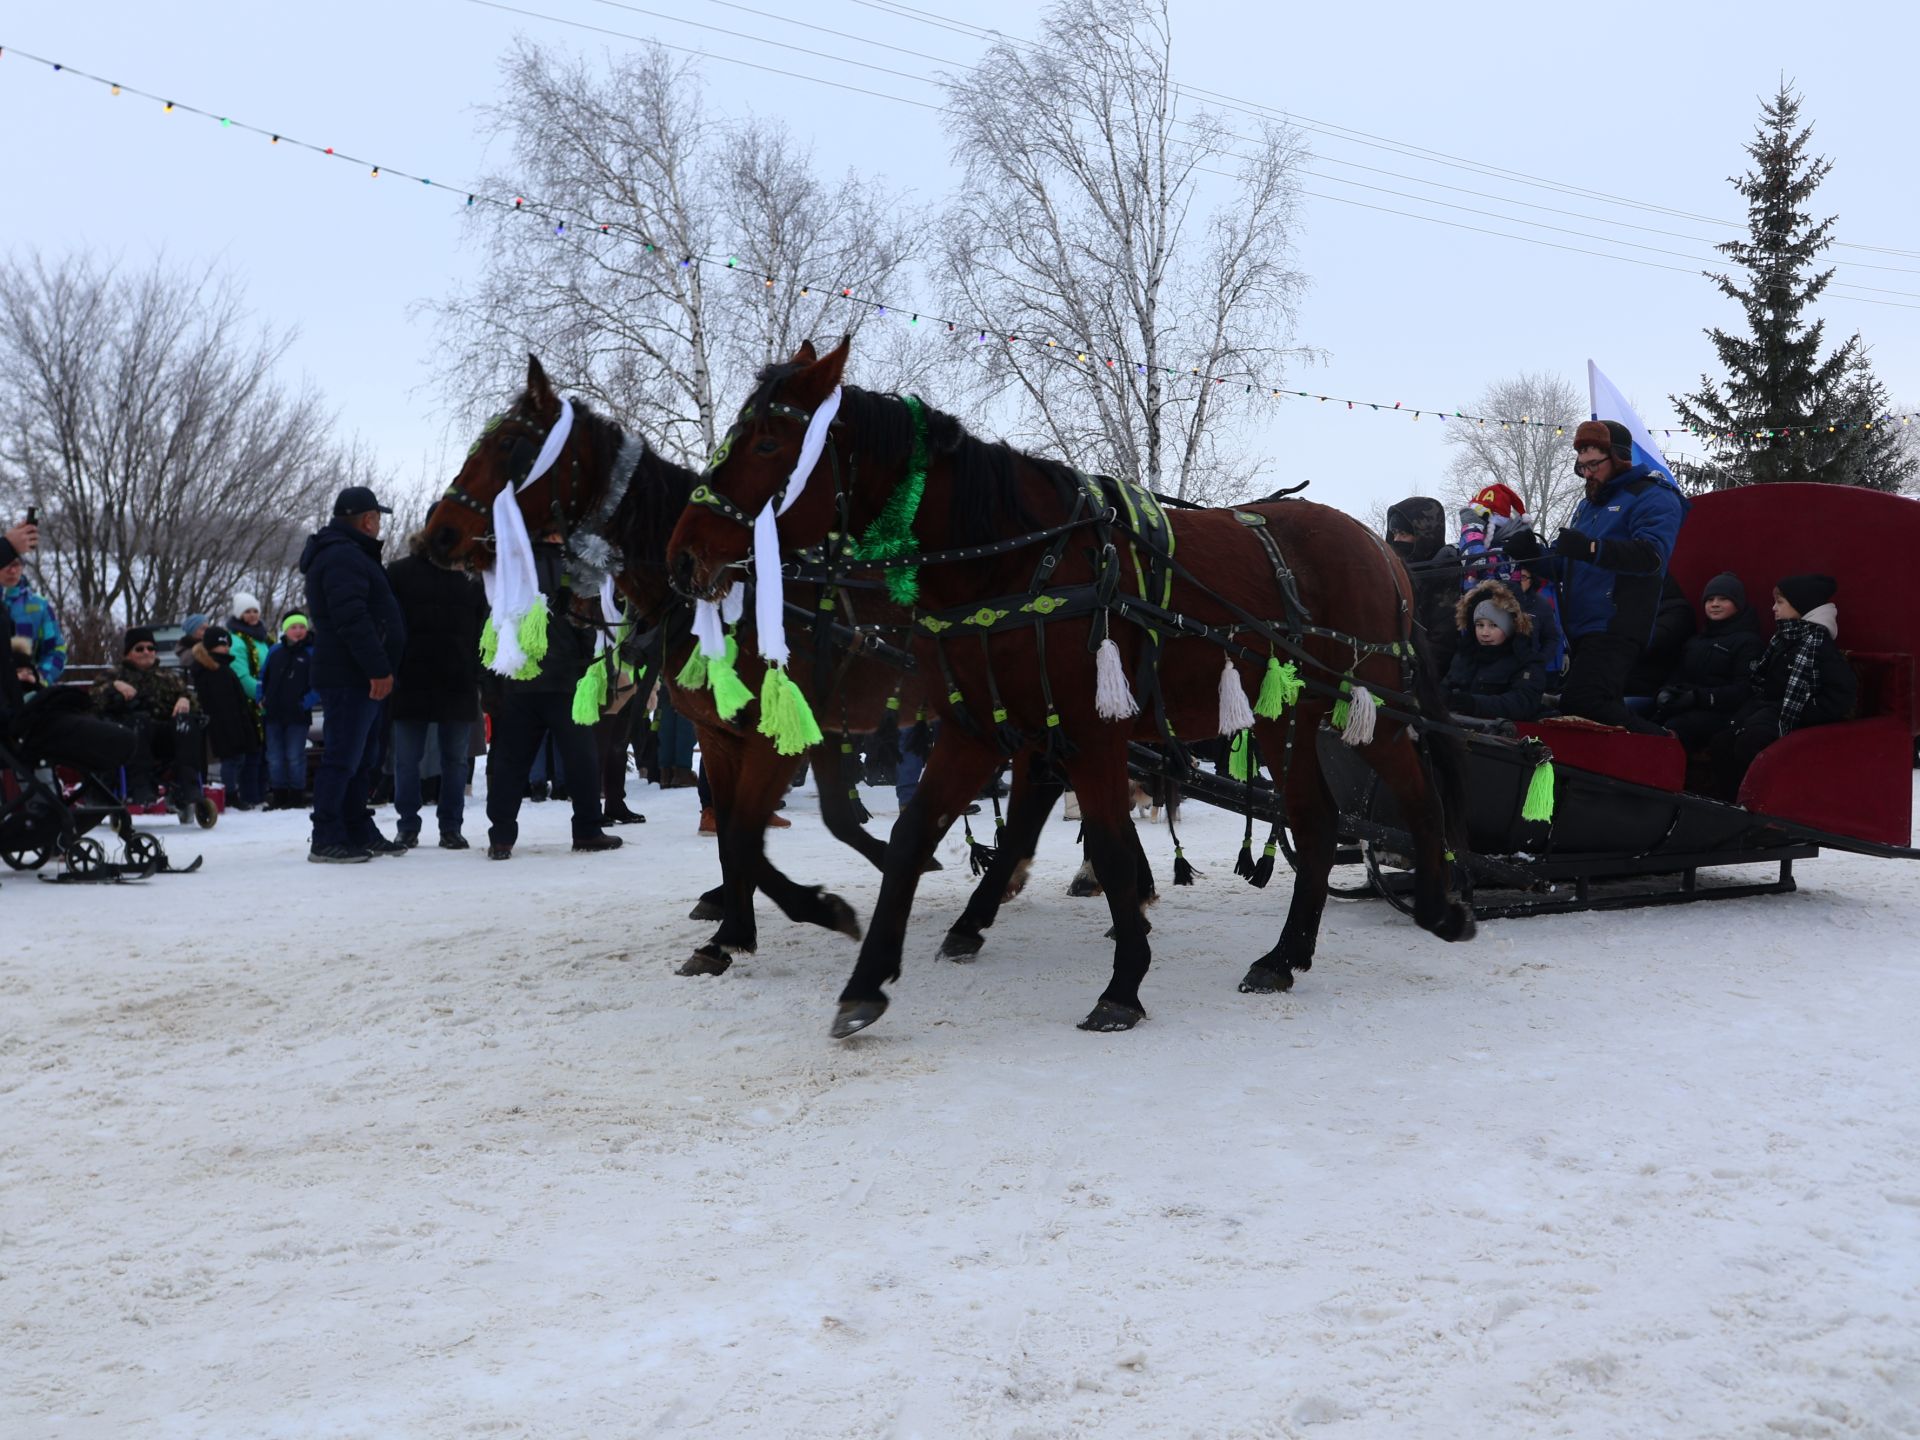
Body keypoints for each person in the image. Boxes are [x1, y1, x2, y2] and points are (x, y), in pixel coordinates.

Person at [1503, 420, 1687, 733]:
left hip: (1617, 622)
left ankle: (1664, 745)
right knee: (1590, 709)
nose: (1587, 473)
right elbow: (1567, 565)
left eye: (1594, 464)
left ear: (1618, 458)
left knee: (1585, 701)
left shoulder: (1652, 495)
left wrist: (1589, 547)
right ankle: (1620, 770)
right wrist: (1530, 555)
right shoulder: (1588, 506)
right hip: (1581, 628)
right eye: (1581, 466)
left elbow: (1651, 557)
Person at [483, 531, 623, 860]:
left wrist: (489, 683)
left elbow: (490, 620)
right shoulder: (572, 565)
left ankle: (501, 837)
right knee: (581, 758)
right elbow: (585, 621)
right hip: (563, 679)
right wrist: (586, 665)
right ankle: (587, 830)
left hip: (518, 679)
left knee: (509, 761)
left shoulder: (511, 565)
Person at [301, 484, 407, 863]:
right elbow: (351, 618)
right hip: (351, 675)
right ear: (367, 519)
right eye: (377, 517)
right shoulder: (343, 556)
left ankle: (355, 826)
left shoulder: (350, 554)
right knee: (344, 756)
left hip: (358, 673)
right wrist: (377, 668)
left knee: (363, 756)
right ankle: (326, 835)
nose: (379, 524)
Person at [1710, 574, 1856, 801]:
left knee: (1751, 743)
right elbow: (1763, 684)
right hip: (1768, 712)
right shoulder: (1783, 640)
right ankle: (1728, 805)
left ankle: (1758, 808)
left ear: (1801, 605)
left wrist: (1802, 711)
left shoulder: (1819, 646)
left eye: (1780, 602)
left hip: (1796, 720)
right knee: (1722, 740)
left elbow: (1841, 696)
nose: (1773, 608)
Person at [385, 529, 488, 849]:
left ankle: (450, 827)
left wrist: (477, 674)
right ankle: (407, 826)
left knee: (455, 760)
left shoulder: (471, 579)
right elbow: (387, 623)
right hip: (410, 680)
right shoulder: (400, 572)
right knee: (406, 759)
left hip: (457, 682)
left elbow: (482, 632)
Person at [90, 626, 211, 822]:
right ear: (128, 653)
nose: (146, 652)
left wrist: (185, 700)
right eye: (140, 649)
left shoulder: (168, 677)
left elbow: (192, 700)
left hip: (163, 737)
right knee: (140, 720)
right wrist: (114, 686)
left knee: (186, 722)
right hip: (129, 737)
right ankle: (139, 786)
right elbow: (94, 699)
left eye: (150, 648)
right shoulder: (113, 675)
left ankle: (188, 788)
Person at [1653, 573, 1764, 753]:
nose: (1714, 604)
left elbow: (1745, 690)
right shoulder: (1696, 640)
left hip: (1723, 715)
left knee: (1677, 726)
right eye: (1710, 599)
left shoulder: (1748, 642)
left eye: (1723, 599)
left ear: (1738, 603)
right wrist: (1665, 691)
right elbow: (1678, 673)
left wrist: (1698, 697)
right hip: (1685, 707)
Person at [1442, 580, 1546, 722]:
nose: (1485, 632)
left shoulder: (1526, 660)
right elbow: (1447, 686)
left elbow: (1522, 703)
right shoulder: (1466, 654)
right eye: (1479, 625)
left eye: (1493, 625)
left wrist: (1472, 703)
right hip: (1459, 726)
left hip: (1504, 735)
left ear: (1509, 626)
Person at [1383, 496, 1462, 679]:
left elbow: (1443, 640)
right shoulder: (1394, 573)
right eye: (1394, 534)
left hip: (1426, 676)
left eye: (1403, 534)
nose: (1396, 540)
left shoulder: (1444, 575)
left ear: (1424, 535)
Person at [187, 625, 262, 807]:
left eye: (227, 644)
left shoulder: (221, 668)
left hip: (231, 721)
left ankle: (231, 792)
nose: (226, 647)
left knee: (236, 760)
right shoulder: (214, 671)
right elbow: (223, 703)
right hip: (225, 723)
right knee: (232, 760)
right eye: (222, 644)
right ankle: (230, 794)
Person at [258, 612, 317, 809]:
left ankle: (296, 795)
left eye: (302, 627)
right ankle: (279, 795)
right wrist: (261, 698)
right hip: (273, 713)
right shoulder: (275, 650)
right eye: (294, 627)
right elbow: (262, 677)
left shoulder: (312, 652)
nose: (298, 631)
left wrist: (304, 703)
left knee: (295, 756)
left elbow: (319, 684)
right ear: (286, 630)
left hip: (298, 715)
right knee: (274, 757)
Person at [2, 547, 66, 688]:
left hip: (27, 695)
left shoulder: (39, 606)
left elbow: (56, 650)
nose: (12, 570)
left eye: (17, 564)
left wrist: (39, 678)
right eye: (6, 564)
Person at [1626, 573, 1697, 699]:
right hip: (1619, 682)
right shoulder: (1634, 608)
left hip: (1647, 688)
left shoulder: (1678, 611)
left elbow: (1652, 640)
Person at [1511, 567, 1566, 679]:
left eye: (1523, 578)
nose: (1519, 582)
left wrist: (1540, 661)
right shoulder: (1501, 601)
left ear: (1531, 580)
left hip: (1531, 670)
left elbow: (1552, 637)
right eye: (1516, 577)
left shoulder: (1541, 603)